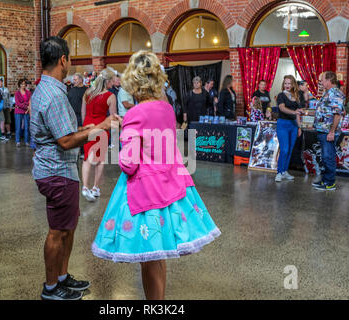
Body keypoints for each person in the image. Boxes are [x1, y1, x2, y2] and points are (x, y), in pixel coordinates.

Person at [91, 51, 220, 300]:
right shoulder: (166, 108)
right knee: (158, 256)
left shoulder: (134, 115)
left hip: (145, 193)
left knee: (149, 258)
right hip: (171, 185)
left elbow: (128, 164)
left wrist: (120, 132)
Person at [31, 36, 120, 300]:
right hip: (56, 172)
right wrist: (102, 127)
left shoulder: (48, 89)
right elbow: (66, 141)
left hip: (59, 170)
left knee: (68, 227)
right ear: (63, 60)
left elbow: (67, 131)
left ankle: (61, 276)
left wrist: (90, 128)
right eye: (69, 59)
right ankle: (51, 288)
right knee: (58, 231)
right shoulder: (55, 95)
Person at [81, 68, 117, 202]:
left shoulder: (87, 93)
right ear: (107, 81)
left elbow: (83, 112)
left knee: (87, 157)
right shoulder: (110, 96)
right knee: (100, 160)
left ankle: (85, 187)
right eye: (112, 80)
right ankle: (95, 188)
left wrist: (85, 127)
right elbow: (113, 117)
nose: (113, 83)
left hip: (88, 126)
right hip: (102, 127)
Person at [312, 71, 345, 191]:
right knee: (326, 157)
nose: (321, 82)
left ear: (329, 80)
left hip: (328, 131)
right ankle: (326, 179)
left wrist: (332, 131)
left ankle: (330, 183)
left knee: (328, 157)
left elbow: (337, 114)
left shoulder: (335, 93)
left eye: (322, 80)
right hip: (323, 130)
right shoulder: (328, 93)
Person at [275, 75, 302, 182]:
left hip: (294, 125)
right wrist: (294, 112)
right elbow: (282, 108)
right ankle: (279, 172)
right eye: (285, 83)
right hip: (283, 124)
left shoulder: (296, 96)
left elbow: (298, 114)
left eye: (289, 83)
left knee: (290, 150)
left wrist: (299, 127)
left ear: (293, 84)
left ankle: (285, 171)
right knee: (284, 149)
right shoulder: (281, 95)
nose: (287, 85)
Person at [14, 79, 32, 147]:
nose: (23, 85)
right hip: (18, 112)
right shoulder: (17, 93)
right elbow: (17, 103)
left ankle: (27, 141)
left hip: (26, 112)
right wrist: (26, 106)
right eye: (21, 84)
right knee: (18, 127)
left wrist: (25, 105)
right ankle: (18, 141)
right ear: (19, 85)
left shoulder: (28, 93)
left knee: (27, 127)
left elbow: (29, 101)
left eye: (24, 84)